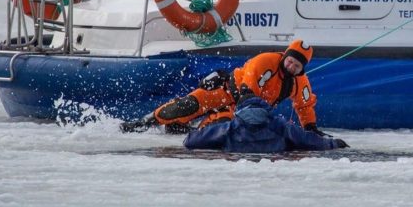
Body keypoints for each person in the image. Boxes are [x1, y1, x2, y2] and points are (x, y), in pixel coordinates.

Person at [120, 39, 325, 135]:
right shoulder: (266, 61)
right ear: (285, 55)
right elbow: (250, 81)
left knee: (218, 126)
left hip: (241, 110)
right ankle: (143, 122)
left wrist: (310, 127)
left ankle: (186, 130)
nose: (291, 66)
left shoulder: (301, 83)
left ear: (301, 68)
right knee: (186, 106)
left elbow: (304, 105)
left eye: (297, 65)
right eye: (290, 61)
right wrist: (247, 98)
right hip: (226, 91)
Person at [183, 96, 348, 153]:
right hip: (273, 169)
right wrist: (334, 143)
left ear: (240, 109)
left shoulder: (230, 127)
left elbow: (190, 142)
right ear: (264, 108)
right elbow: (306, 140)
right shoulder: (279, 125)